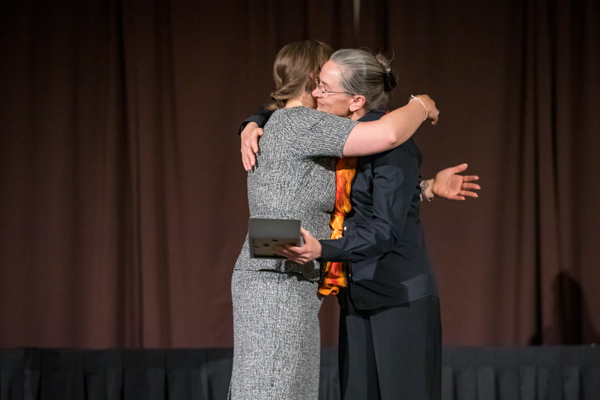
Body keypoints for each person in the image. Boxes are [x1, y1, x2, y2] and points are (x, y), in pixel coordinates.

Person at [242, 49, 480, 399]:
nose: (318, 95)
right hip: (284, 268)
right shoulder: (300, 123)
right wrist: (421, 104)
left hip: (384, 291)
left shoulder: (323, 130)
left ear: (356, 100)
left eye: (324, 87)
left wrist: (423, 188)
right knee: (273, 386)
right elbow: (385, 139)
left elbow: (377, 215)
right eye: (316, 86)